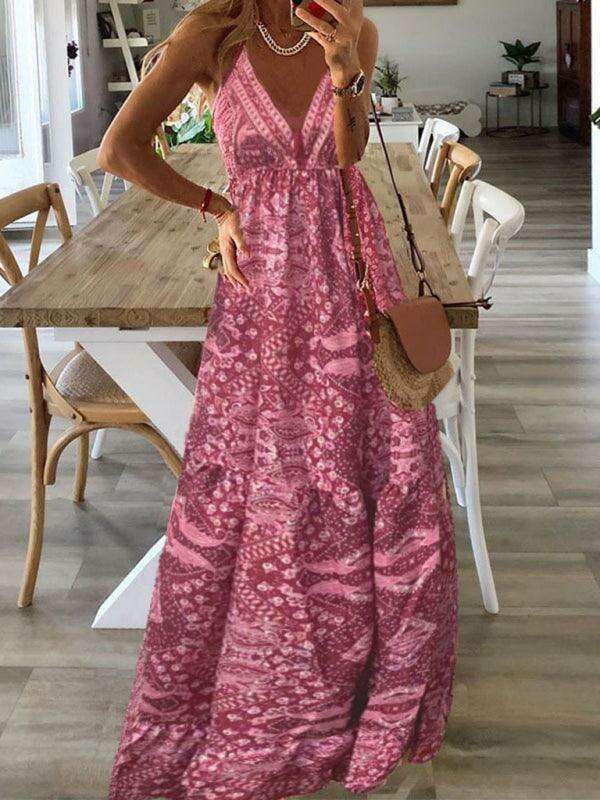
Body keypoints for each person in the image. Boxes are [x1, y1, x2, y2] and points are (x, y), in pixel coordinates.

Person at [99, 0, 458, 797]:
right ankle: (275, 672)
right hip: (262, 285)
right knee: (265, 476)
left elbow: (348, 157)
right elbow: (120, 148)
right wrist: (216, 206)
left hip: (351, 270)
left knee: (363, 468)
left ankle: (360, 676)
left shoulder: (353, 26)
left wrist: (345, 69)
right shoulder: (211, 32)